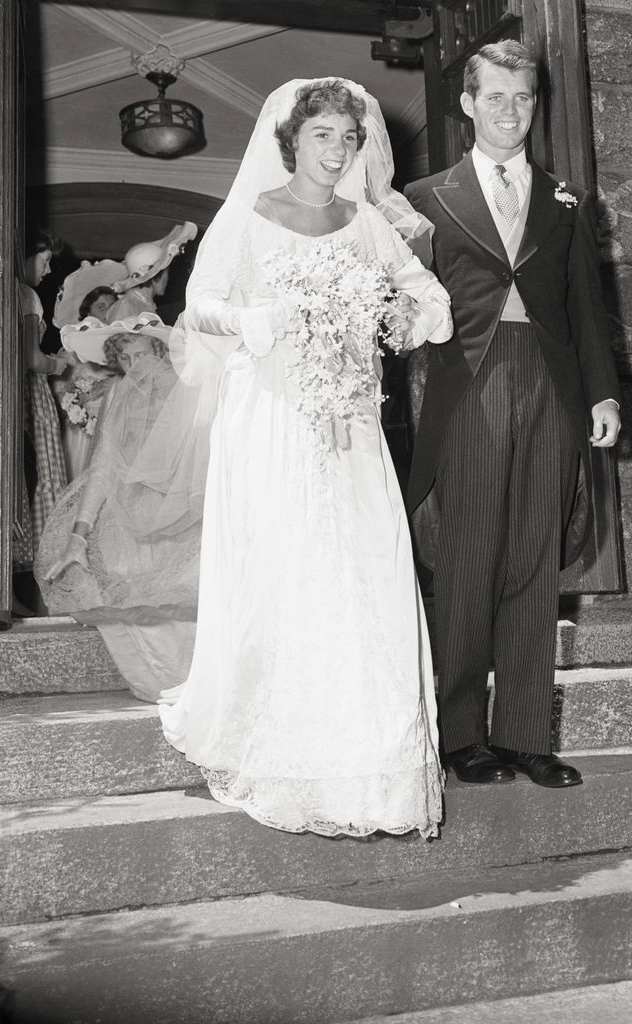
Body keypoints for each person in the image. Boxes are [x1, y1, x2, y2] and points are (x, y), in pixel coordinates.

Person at [157, 78, 452, 838]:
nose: (338, 150)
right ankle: (279, 738)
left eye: (349, 138)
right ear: (291, 141)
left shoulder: (364, 224)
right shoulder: (250, 216)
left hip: (351, 422)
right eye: (323, 134)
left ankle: (371, 761)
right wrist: (267, 317)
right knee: (289, 567)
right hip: (271, 418)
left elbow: (427, 298)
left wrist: (397, 316)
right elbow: (202, 305)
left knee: (364, 571)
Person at [404, 41, 621, 788]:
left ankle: (526, 734)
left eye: (522, 97)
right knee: (467, 558)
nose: (509, 110)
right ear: (467, 103)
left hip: (552, 387)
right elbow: (401, 313)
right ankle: (460, 733)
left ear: (536, 102)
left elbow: (587, 311)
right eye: (494, 96)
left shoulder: (565, 199)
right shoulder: (425, 198)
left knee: (534, 558)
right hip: (468, 382)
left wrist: (601, 392)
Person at [38, 314, 200, 702]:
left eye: (142, 354)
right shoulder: (118, 394)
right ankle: (160, 684)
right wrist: (78, 532)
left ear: (161, 351)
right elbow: (105, 463)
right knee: (120, 577)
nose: (135, 366)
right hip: (128, 512)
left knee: (186, 595)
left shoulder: (188, 390)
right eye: (125, 359)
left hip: (185, 514)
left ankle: (194, 683)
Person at [20, 228, 69, 561]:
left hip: (16, 390)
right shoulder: (26, 295)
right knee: (40, 468)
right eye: (46, 260)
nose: (48, 270)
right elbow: (33, 359)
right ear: (26, 255)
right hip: (29, 392)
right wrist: (59, 364)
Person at [53, 261, 127, 480]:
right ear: (87, 311)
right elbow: (59, 387)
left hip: (110, 428)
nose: (106, 315)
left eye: (111, 308)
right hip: (79, 430)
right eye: (101, 307)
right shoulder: (72, 347)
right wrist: (80, 407)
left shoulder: (119, 349)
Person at [110, 223, 197, 323]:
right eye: (166, 273)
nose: (167, 278)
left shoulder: (144, 303)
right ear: (156, 275)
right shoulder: (127, 305)